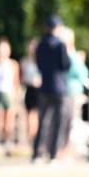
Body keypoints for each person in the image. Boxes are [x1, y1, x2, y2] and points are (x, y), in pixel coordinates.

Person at [32, 15, 71, 163]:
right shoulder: (60, 45)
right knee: (58, 123)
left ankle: (36, 153)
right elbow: (65, 65)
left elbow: (39, 64)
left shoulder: (40, 44)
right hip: (59, 88)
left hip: (45, 86)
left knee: (42, 122)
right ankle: (53, 154)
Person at [59, 27, 89, 158]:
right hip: (66, 92)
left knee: (71, 122)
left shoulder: (73, 56)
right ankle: (63, 148)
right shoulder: (70, 56)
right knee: (65, 122)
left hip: (73, 93)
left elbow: (82, 75)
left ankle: (67, 149)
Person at [20, 38, 41, 147]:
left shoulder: (41, 61)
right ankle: (30, 139)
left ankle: (34, 139)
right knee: (29, 115)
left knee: (35, 115)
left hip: (38, 90)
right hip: (29, 89)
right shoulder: (25, 61)